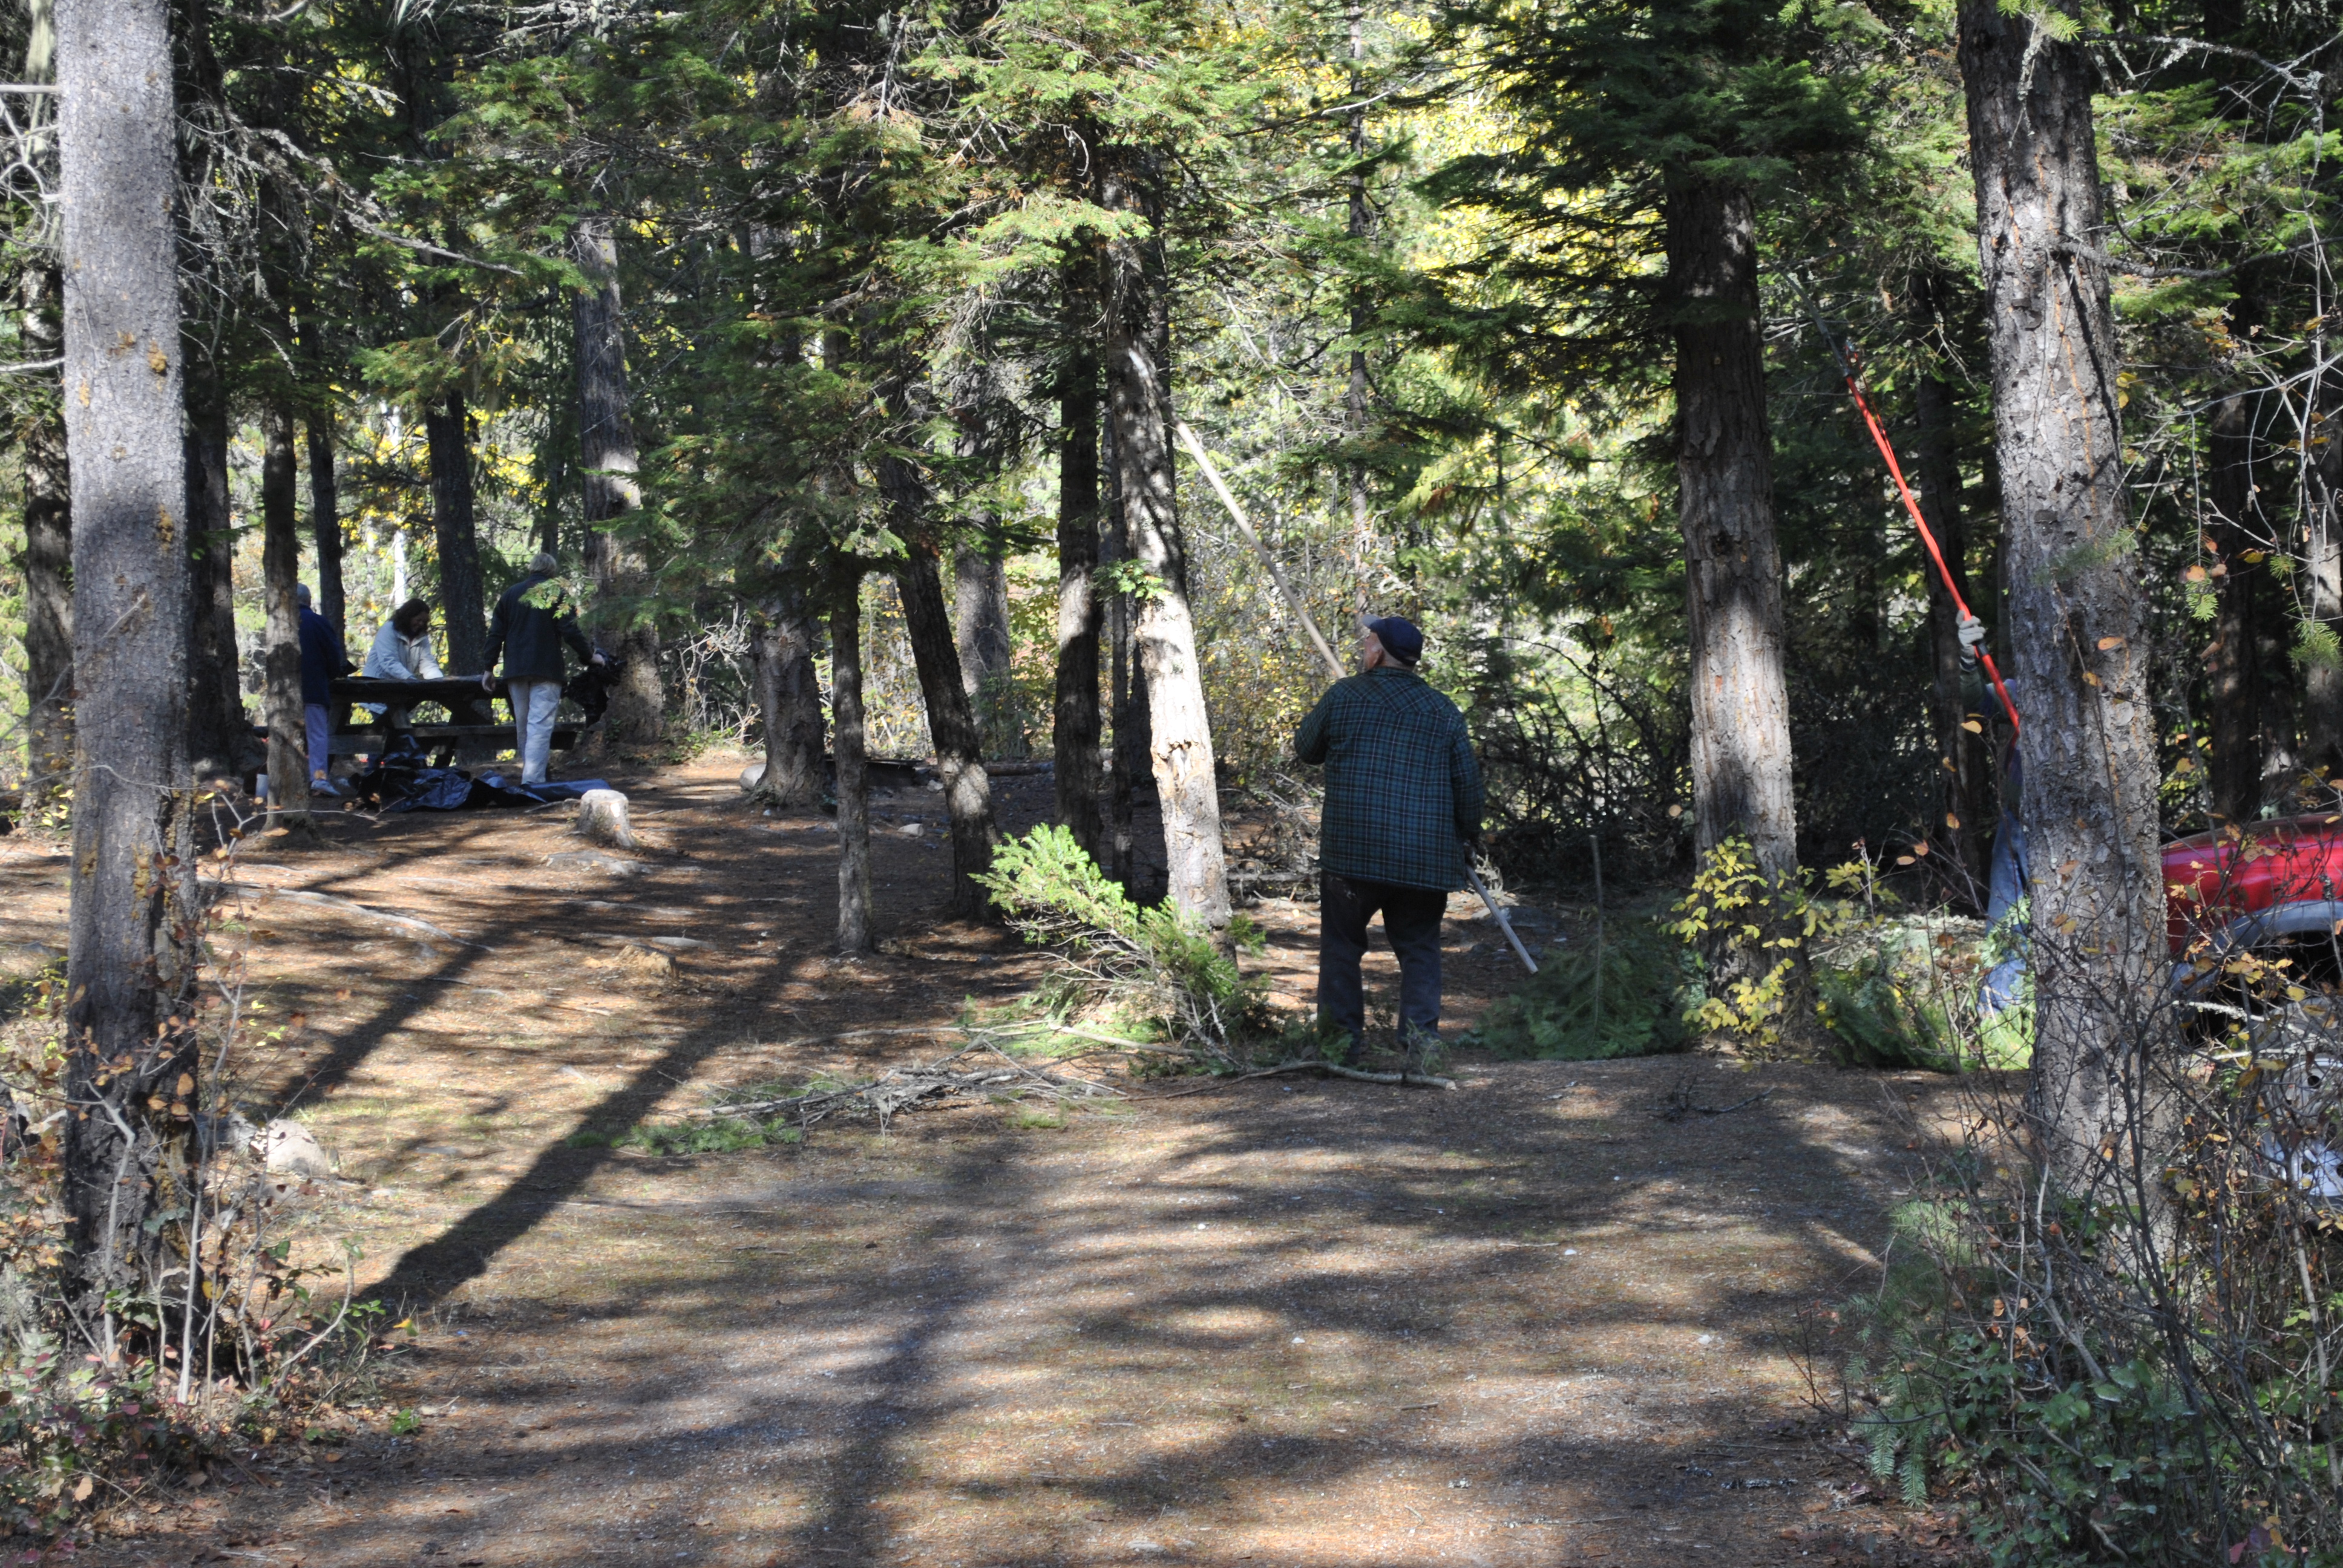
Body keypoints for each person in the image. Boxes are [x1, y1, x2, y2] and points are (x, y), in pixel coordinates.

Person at [1293, 615, 1484, 1060]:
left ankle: (1342, 1045)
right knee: (1419, 949)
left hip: (1352, 857)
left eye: (1367, 643)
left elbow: (1305, 749)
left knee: (1342, 947)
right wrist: (1468, 836)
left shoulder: (1345, 696)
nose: (1363, 649)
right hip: (1423, 860)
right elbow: (1468, 788)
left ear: (1378, 653)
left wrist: (1345, 711)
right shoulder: (1443, 711)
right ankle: (1421, 1046)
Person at [481, 552, 603, 786]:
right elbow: (570, 630)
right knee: (540, 725)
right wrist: (589, 656)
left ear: (532, 569)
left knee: (524, 724)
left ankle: (531, 776)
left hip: (516, 670)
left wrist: (489, 667)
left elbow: (496, 633)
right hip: (547, 669)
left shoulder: (510, 595)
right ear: (552, 572)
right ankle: (533, 781)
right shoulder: (557, 593)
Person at [295, 584, 352, 795]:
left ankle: (284, 780)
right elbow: (333, 657)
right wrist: (332, 674)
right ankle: (318, 779)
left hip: (283, 694)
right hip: (313, 688)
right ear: (309, 601)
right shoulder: (318, 623)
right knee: (317, 735)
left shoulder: (280, 625)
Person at [358, 598, 444, 717]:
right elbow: (389, 662)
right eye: (418, 620)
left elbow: (427, 663)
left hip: (400, 694)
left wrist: (440, 682)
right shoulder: (389, 630)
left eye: (424, 622)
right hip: (378, 693)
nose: (421, 624)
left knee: (400, 730)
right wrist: (410, 679)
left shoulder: (421, 637)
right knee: (389, 729)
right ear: (408, 617)